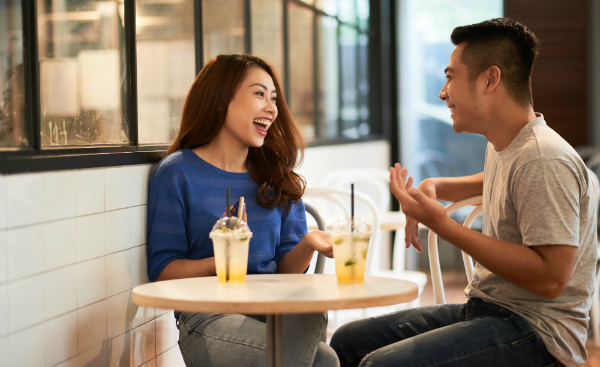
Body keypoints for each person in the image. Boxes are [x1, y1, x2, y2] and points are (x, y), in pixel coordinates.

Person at [330, 18, 596, 367]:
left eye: (450, 76)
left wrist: (444, 225)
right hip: (489, 310)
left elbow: (551, 279)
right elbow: (495, 181)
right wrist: (435, 187)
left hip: (540, 335)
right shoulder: (511, 146)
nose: (442, 92)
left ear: (490, 79)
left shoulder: (543, 157)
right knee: (347, 341)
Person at [147, 54, 339, 367]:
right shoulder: (177, 174)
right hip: (208, 318)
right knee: (322, 360)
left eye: (274, 98)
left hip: (271, 310)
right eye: (260, 94)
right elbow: (162, 272)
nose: (272, 108)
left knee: (314, 325)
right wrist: (223, 260)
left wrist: (308, 243)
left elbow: (287, 274)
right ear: (222, 98)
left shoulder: (276, 177)